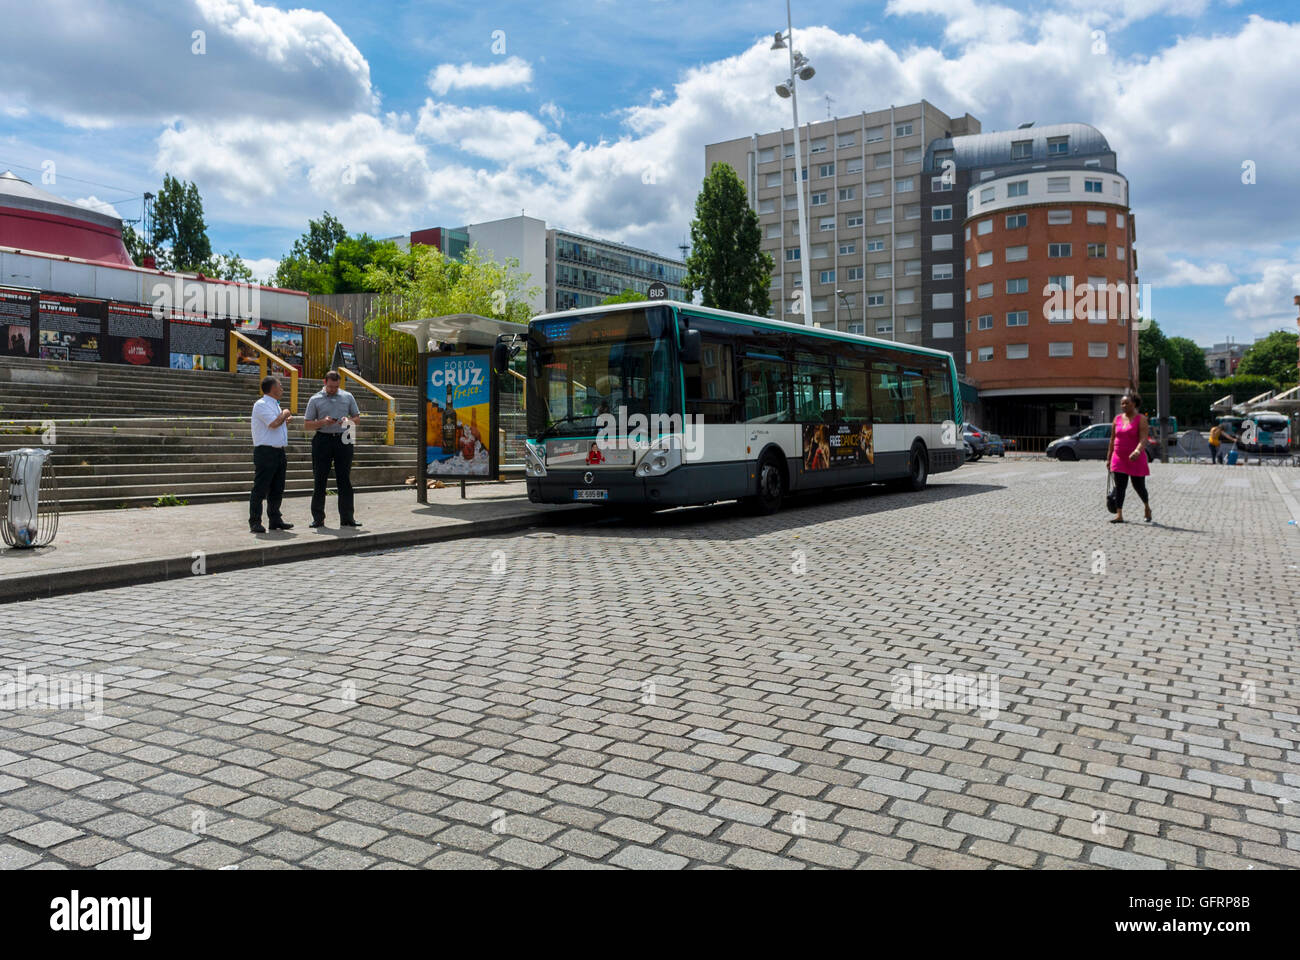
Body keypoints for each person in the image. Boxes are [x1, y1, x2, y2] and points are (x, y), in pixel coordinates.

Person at [303, 370, 362, 528]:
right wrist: (322, 422)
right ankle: (318, 518)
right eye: (330, 387)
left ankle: (348, 518)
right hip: (323, 439)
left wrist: (348, 420)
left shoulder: (347, 396)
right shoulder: (315, 399)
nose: (332, 390)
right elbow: (307, 424)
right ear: (324, 382)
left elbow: (357, 418)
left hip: (344, 438)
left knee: (344, 480)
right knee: (320, 479)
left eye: (336, 387)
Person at [249, 375, 293, 533]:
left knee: (277, 488)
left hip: (278, 451)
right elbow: (274, 424)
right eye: (280, 385)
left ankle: (275, 519)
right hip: (265, 451)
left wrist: (284, 420)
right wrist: (286, 413)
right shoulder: (261, 404)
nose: (282, 388)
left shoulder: (275, 405)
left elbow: (276, 424)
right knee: (260, 488)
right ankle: (255, 521)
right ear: (272, 388)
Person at [1105, 392, 1151, 524]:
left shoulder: (1141, 419)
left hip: (1135, 458)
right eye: (1122, 403)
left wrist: (1137, 451)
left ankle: (1147, 507)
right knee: (1120, 486)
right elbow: (1112, 439)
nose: (1124, 405)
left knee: (1139, 486)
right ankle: (1119, 514)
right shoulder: (1117, 419)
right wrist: (1109, 457)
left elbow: (1143, 438)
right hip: (1118, 458)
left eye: (1127, 403)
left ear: (1134, 404)